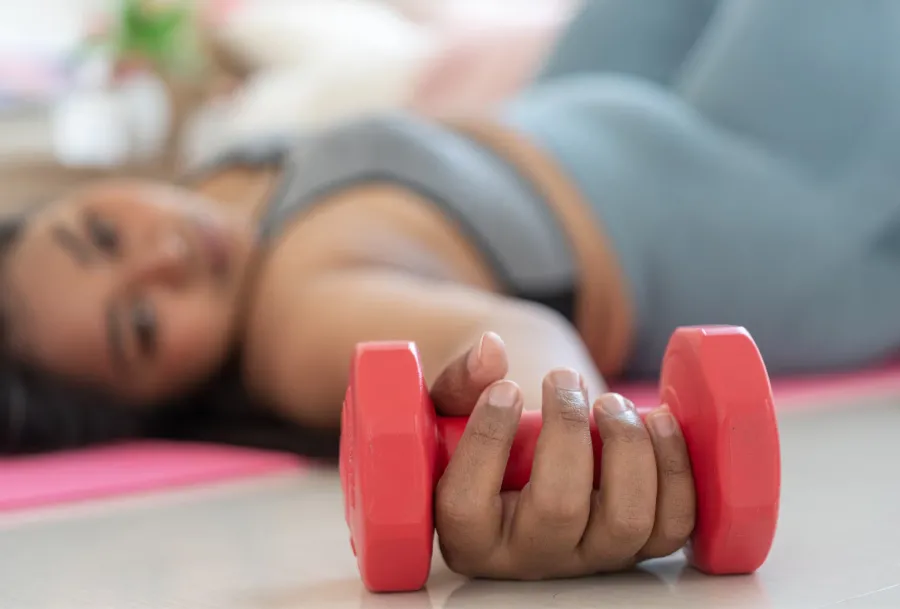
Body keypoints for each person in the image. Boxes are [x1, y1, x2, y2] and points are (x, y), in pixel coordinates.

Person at [3, 0, 900, 580]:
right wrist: (561, 457)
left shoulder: (222, 183)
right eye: (144, 324)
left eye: (102, 232)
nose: (163, 255)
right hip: (757, 193)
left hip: (619, 101)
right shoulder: (297, 318)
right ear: (169, 394)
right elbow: (521, 345)